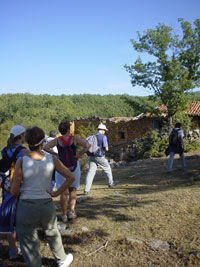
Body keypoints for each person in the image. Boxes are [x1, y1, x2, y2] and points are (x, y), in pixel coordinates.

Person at [11, 126, 75, 267]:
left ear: (27, 142)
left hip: (26, 205)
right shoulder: (51, 159)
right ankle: (62, 259)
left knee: (27, 238)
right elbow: (70, 177)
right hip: (46, 203)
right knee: (52, 232)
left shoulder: (22, 161)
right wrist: (56, 193)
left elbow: (14, 191)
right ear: (42, 143)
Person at [43, 121, 90, 223]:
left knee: (63, 192)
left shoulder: (57, 140)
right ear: (68, 130)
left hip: (61, 167)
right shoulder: (75, 139)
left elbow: (45, 147)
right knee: (73, 190)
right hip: (74, 166)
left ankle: (64, 214)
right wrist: (79, 154)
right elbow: (88, 145)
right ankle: (72, 211)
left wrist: (55, 154)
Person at [0, 125, 30, 260]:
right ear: (22, 136)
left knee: (9, 220)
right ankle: (25, 249)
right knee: (22, 220)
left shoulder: (3, 150)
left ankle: (13, 250)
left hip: (6, 190)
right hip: (20, 189)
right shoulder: (24, 151)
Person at [84, 123, 117, 194]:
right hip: (99, 156)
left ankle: (86, 189)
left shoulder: (93, 136)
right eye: (105, 130)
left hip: (91, 156)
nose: (105, 131)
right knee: (107, 168)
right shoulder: (103, 137)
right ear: (102, 130)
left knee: (91, 172)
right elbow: (106, 148)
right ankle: (110, 183)